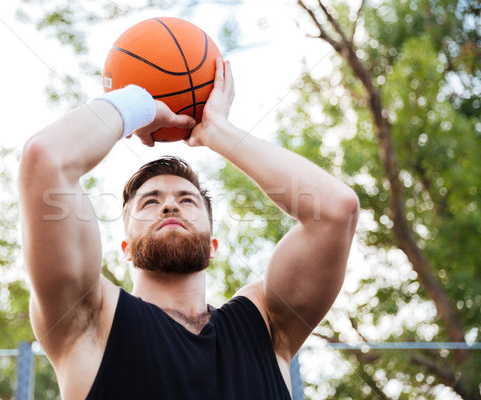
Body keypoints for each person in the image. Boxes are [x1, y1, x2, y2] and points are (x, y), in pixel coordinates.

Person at [18, 57, 359, 399]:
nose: (169, 205)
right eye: (149, 202)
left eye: (188, 200)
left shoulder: (265, 325)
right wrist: (138, 104)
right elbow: (46, 157)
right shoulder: (92, 321)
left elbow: (335, 210)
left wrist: (218, 132)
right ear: (126, 249)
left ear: (212, 245)